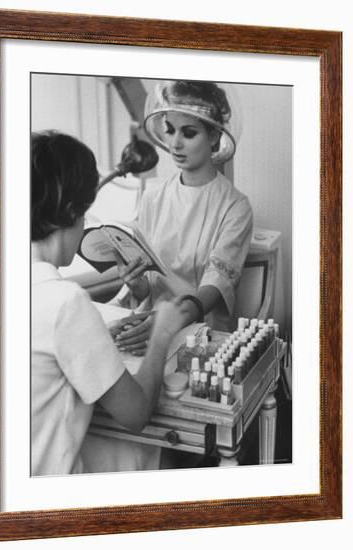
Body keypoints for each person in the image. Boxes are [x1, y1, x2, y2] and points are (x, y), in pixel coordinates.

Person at [31, 130, 187, 476]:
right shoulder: (65, 301)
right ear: (73, 213)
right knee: (166, 456)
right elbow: (135, 414)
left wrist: (98, 332)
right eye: (85, 212)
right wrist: (161, 334)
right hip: (47, 493)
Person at [114, 80, 253, 355]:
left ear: (214, 136)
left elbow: (216, 284)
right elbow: (148, 286)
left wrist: (169, 322)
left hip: (200, 335)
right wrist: (136, 283)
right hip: (149, 327)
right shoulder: (153, 197)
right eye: (170, 130)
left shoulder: (236, 207)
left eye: (189, 133)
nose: (175, 143)